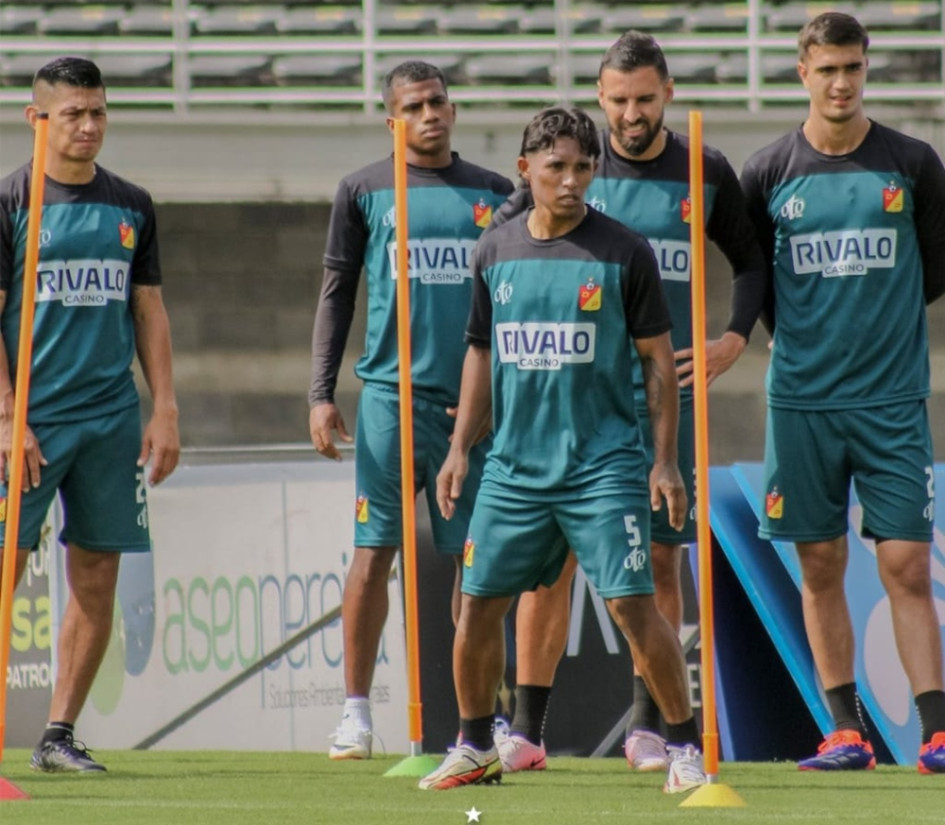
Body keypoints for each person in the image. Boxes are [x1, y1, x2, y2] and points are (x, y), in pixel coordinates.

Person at [493, 31, 767, 774]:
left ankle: (649, 725)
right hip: (568, 400)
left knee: (661, 561)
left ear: (668, 93)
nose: (630, 113)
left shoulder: (702, 168)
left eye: (644, 98)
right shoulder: (576, 164)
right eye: (616, 100)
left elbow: (750, 261)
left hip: (659, 396)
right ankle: (525, 729)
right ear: (599, 96)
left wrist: (729, 339)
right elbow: (507, 239)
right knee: (548, 570)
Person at [420, 106, 706, 794]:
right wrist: (461, 447)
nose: (572, 179)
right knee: (477, 602)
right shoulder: (496, 248)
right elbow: (481, 353)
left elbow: (658, 364)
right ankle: (473, 743)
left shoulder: (623, 251)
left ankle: (684, 747)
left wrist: (663, 459)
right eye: (556, 167)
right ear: (526, 170)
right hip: (513, 469)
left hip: (600, 467)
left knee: (633, 604)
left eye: (583, 166)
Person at [740, 11, 945, 773]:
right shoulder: (766, 172)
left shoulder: (913, 162)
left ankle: (935, 732)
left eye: (852, 68)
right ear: (801, 72)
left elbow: (934, 266)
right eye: (825, 68)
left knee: (904, 563)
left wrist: (875, 328)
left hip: (891, 401)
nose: (839, 83)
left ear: (866, 70)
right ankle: (842, 729)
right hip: (800, 403)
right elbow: (759, 283)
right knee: (818, 566)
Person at [308, 60, 514, 759]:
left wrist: (498, 394)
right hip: (390, 399)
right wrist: (319, 392)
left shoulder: (495, 193)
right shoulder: (363, 189)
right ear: (391, 119)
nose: (429, 114)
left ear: (453, 110)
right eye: (414, 106)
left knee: (476, 564)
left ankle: (479, 720)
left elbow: (513, 300)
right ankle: (356, 712)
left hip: (470, 408)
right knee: (373, 553)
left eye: (437, 102)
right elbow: (336, 292)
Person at [0, 57, 180, 773]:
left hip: (110, 418)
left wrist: (164, 407)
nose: (89, 125)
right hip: (31, 423)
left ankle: (58, 733)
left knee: (97, 574)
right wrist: (8, 415)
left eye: (98, 111)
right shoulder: (10, 201)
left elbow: (149, 309)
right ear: (35, 119)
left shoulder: (131, 203)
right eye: (73, 112)